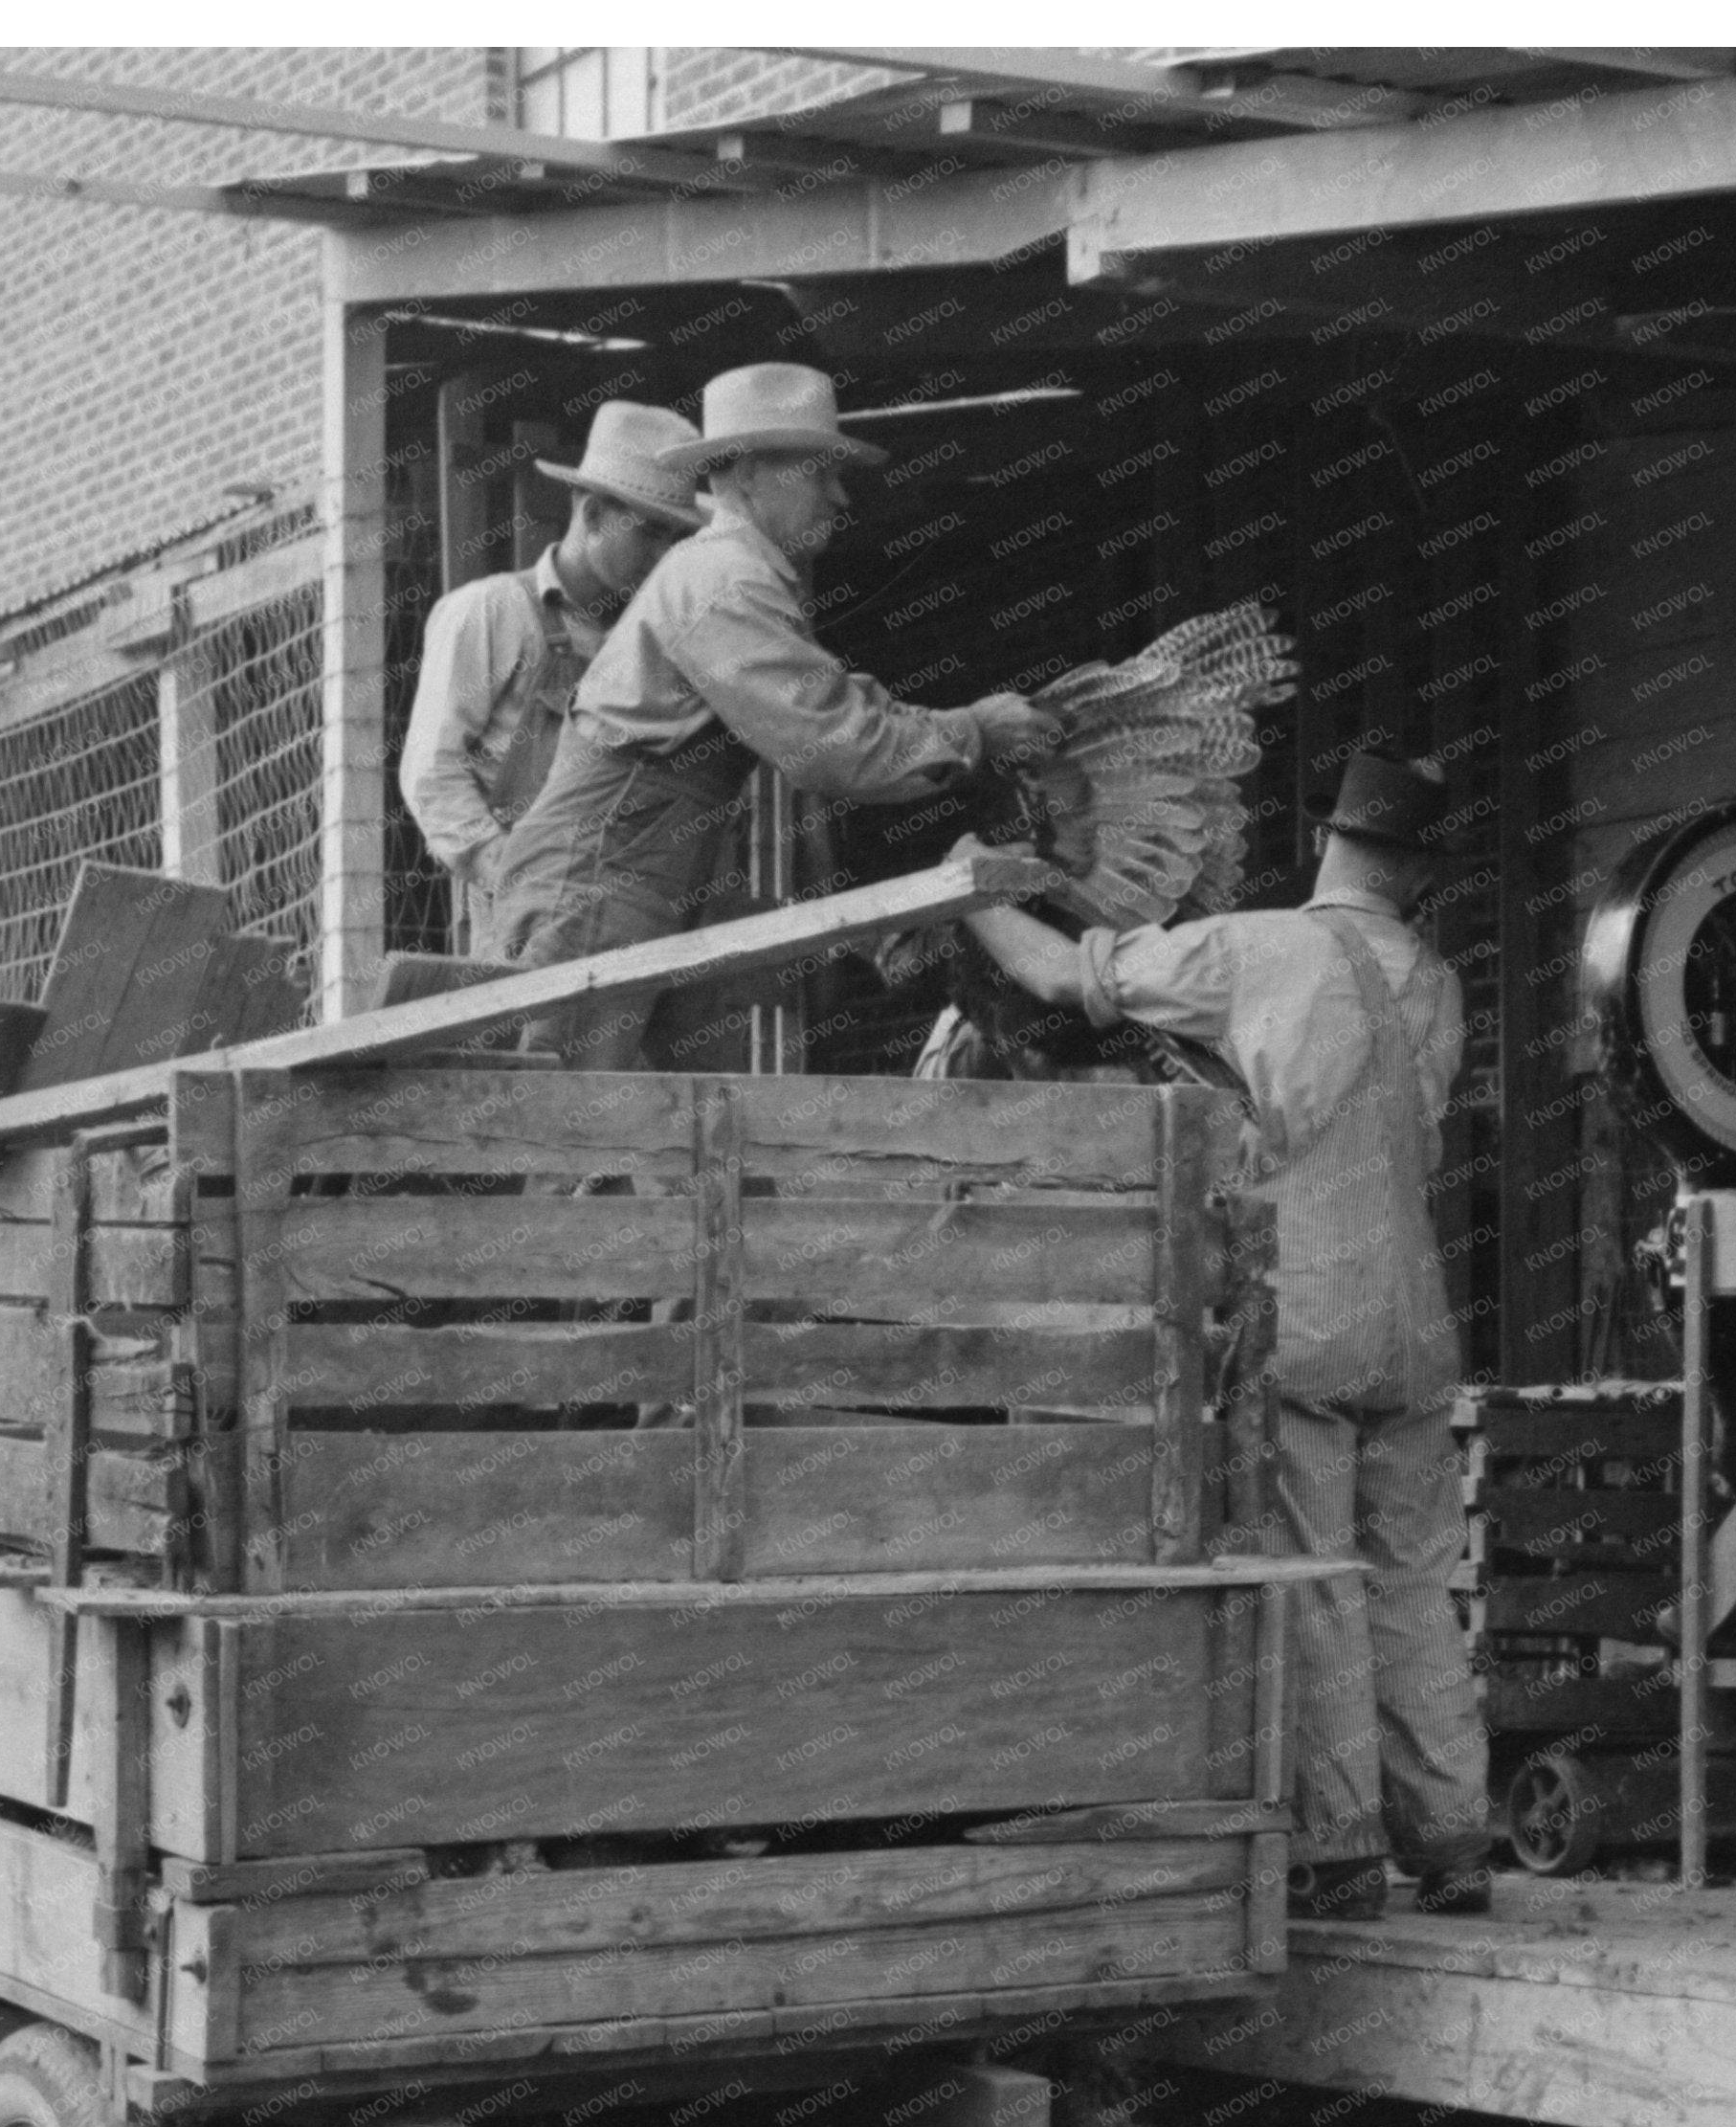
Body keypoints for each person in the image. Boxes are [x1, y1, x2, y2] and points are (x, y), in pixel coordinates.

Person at [950, 750, 1493, 1921]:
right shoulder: (1437, 983)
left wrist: (973, 893)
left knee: (1317, 1577)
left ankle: (1341, 1853)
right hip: (1416, 1317)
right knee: (1413, 1582)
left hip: (1308, 1307)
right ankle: (1453, 1844)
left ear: (1330, 843)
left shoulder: (1260, 950)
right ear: (1416, 870)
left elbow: (1060, 978)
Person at [476, 363, 1057, 1069]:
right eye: (820, 473)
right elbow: (833, 745)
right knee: (561, 1113)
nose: (840, 496)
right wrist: (974, 732)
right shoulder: (724, 582)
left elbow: (840, 700)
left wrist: (956, 723)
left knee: (635, 1122)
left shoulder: (739, 576)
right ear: (750, 474)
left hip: (638, 876)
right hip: (597, 879)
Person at [397, 401, 703, 958]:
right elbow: (432, 773)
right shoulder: (491, 612)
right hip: (520, 923)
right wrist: (512, 877)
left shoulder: (655, 640)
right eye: (649, 533)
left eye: (673, 540)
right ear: (590, 516)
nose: (662, 556)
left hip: (631, 920)